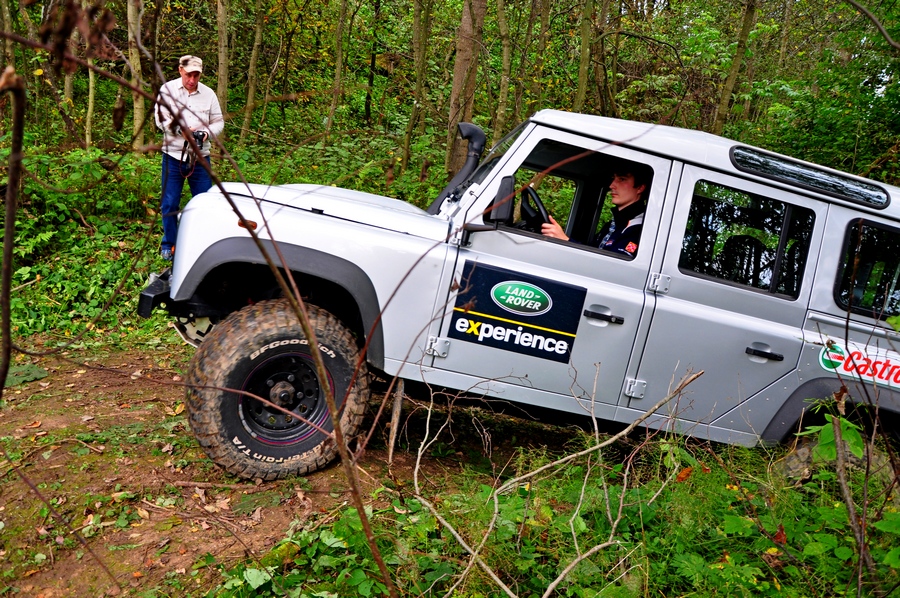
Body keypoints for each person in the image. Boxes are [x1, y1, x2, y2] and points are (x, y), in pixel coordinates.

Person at [155, 55, 225, 261]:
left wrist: (205, 133)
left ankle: (200, 244)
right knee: (169, 203)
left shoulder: (209, 94)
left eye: (196, 75)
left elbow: (218, 122)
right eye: (188, 75)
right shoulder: (167, 91)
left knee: (203, 204)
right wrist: (180, 130)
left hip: (200, 158)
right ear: (180, 71)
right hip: (173, 156)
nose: (192, 80)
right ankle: (170, 244)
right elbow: (160, 119)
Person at [541, 167, 650, 258]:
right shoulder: (614, 224)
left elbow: (613, 267)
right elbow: (592, 252)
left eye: (621, 179)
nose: (612, 185)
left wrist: (565, 240)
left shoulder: (638, 228)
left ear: (640, 188)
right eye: (613, 179)